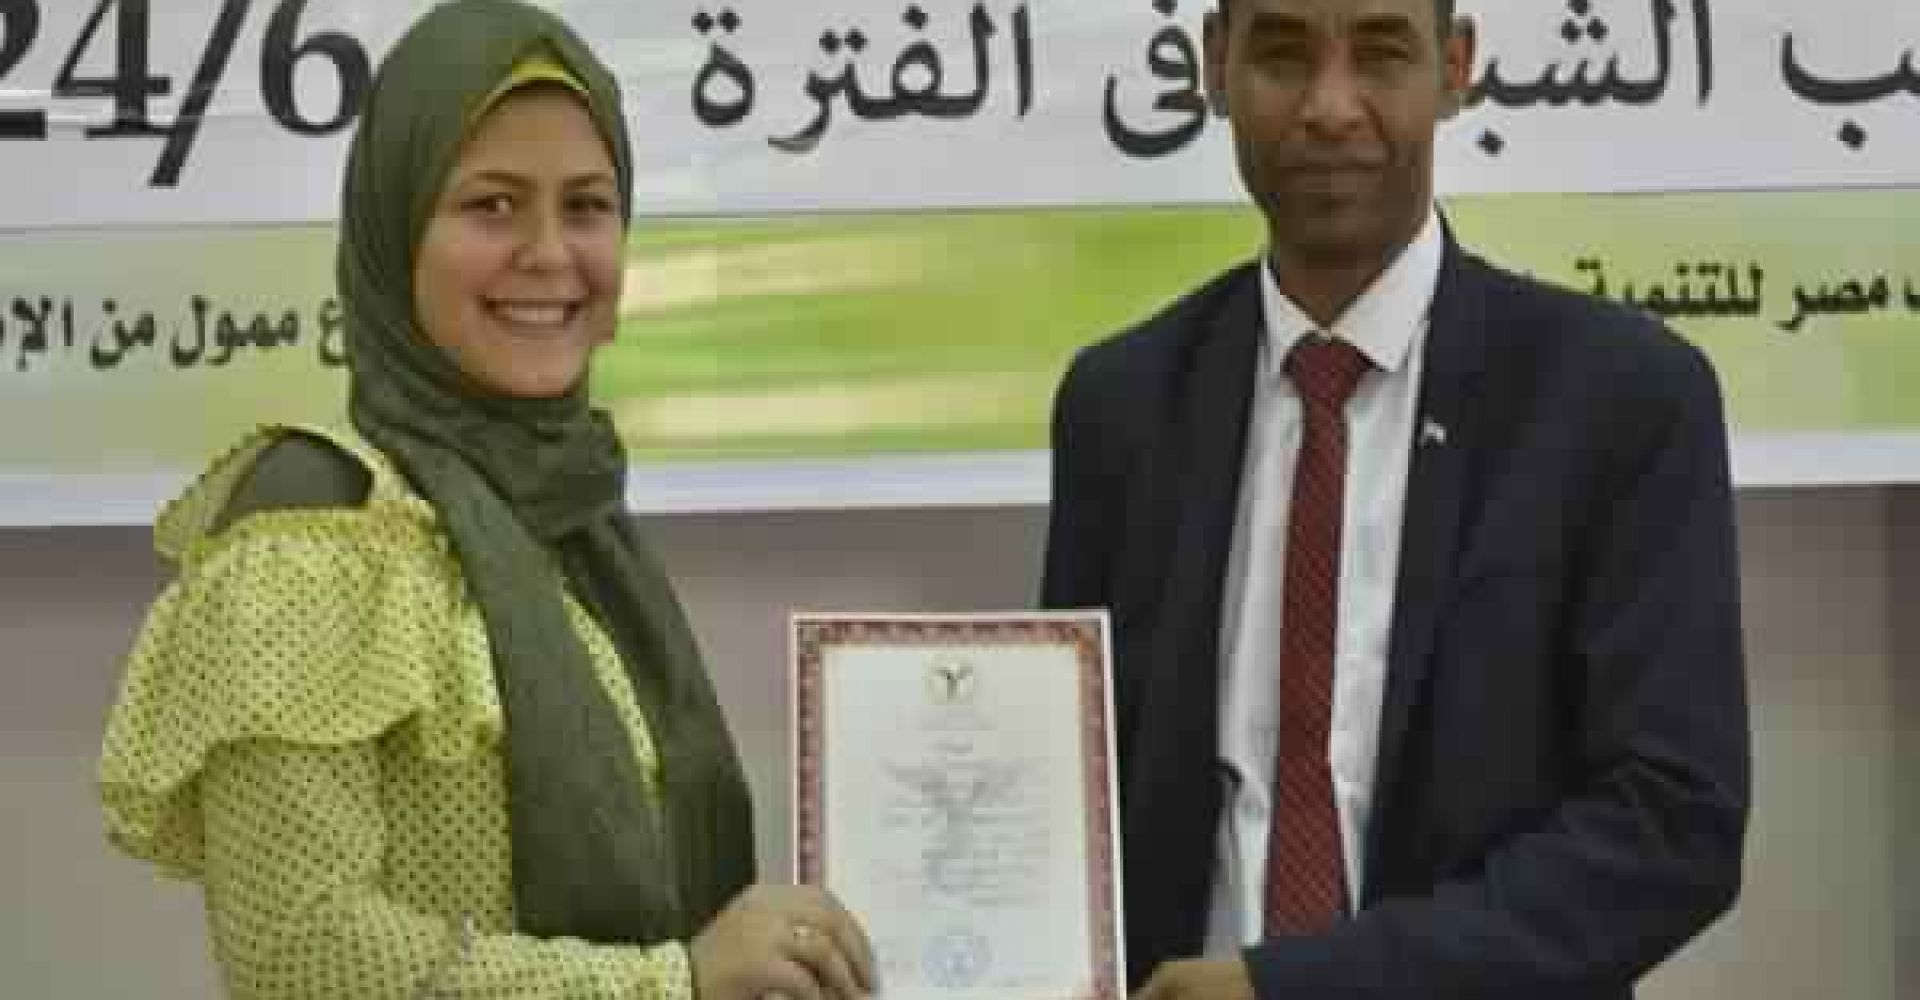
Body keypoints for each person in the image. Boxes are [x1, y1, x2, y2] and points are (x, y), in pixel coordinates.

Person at [97, 3, 873, 998]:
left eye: (586, 206)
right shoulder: (315, 529)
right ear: (395, 230)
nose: (548, 253)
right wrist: (671, 983)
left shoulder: (579, 524)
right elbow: (298, 948)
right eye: (493, 205)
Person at [1040, 1, 1750, 998]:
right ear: (1215, 65)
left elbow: (1672, 826)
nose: (1330, 107)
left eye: (1380, 53)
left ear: (1454, 69)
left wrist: (1302, 984)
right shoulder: (1120, 405)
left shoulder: (1621, 400)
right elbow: (1069, 797)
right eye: (1283, 53)